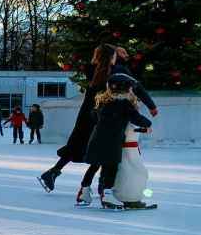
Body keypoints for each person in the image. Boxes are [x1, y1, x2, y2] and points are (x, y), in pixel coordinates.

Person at [39, 44, 117, 192]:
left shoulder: (93, 70)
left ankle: (54, 172)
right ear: (110, 57)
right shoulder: (109, 74)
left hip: (86, 113)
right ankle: (95, 186)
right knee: (102, 149)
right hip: (97, 115)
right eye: (114, 56)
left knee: (77, 144)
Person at [78, 73, 153, 208]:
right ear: (124, 89)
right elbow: (136, 118)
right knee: (110, 167)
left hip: (96, 139)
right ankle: (107, 194)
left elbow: (94, 117)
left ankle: (84, 191)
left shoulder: (102, 102)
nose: (131, 91)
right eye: (130, 89)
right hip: (112, 141)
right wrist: (148, 124)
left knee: (94, 166)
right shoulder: (124, 104)